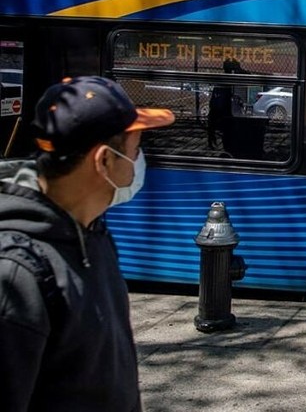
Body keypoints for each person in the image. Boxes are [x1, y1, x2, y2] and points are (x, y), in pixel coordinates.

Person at [0, 76, 175, 411]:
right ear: (104, 161)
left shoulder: (92, 233)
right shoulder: (14, 274)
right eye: (136, 147)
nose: (139, 158)